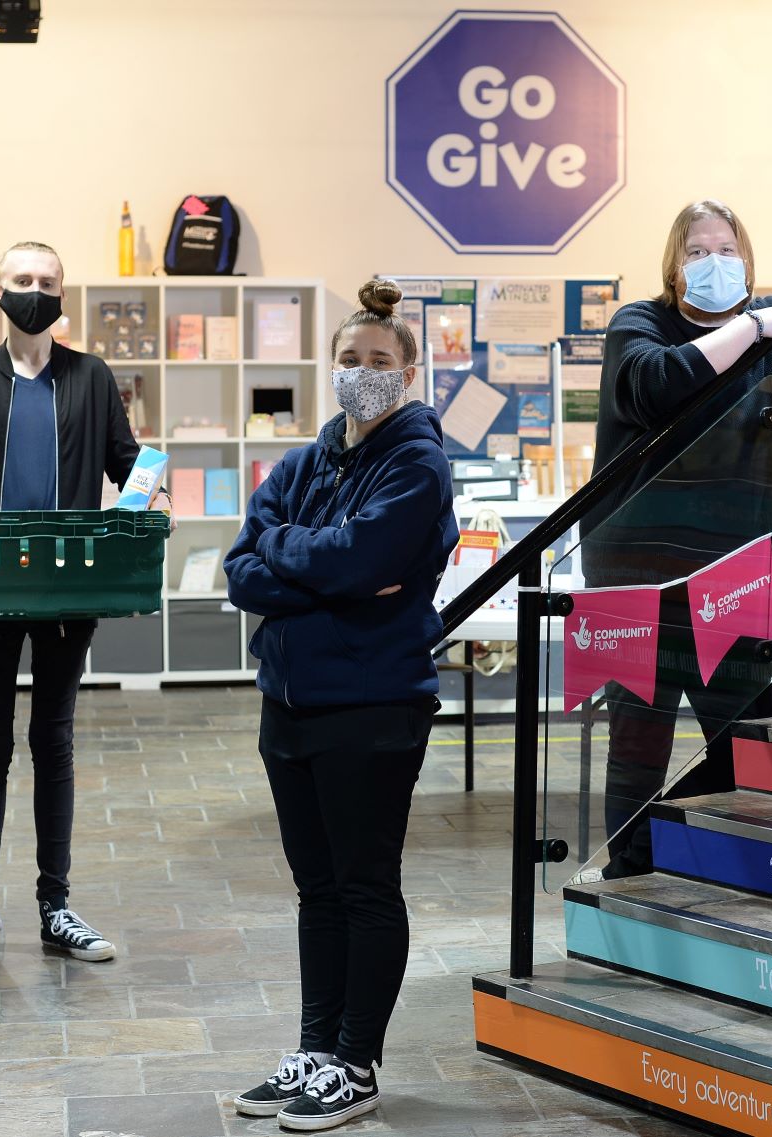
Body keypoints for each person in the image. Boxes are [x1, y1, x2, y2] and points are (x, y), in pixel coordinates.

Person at [584, 199, 772, 880]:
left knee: (747, 730)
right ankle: (630, 873)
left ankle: (701, 852)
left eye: (726, 249)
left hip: (734, 575)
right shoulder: (643, 322)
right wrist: (754, 322)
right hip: (635, 578)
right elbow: (654, 386)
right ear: (674, 265)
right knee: (638, 737)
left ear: (747, 260)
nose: (713, 262)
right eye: (697, 251)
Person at [0, 241, 171, 967]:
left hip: (66, 588)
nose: (35, 291)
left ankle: (56, 906)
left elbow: (126, 463)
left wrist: (155, 490)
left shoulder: (91, 376)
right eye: (23, 280)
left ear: (63, 295)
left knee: (54, 740)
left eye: (47, 282)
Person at [224, 278, 457, 1131]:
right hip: (288, 705)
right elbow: (242, 568)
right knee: (315, 889)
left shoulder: (418, 463)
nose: (363, 373)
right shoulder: (301, 461)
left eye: (380, 361)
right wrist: (313, 563)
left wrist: (297, 560)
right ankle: (314, 1051)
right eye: (350, 360)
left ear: (410, 371)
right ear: (331, 368)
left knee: (364, 886)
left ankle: (357, 1064)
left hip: (372, 703)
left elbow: (361, 562)